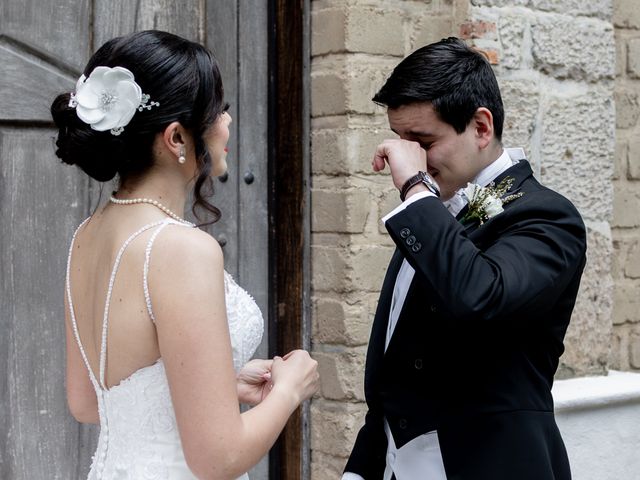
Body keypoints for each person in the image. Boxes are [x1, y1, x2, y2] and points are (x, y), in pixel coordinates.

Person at [51, 30, 319, 479]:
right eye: (217, 111)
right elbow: (218, 458)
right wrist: (289, 391)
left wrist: (217, 384)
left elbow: (88, 400)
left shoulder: (87, 235)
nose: (228, 122)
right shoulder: (181, 248)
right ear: (176, 138)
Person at [343, 37, 586, 480]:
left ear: (480, 127)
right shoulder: (434, 213)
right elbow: (396, 370)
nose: (407, 155)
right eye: (400, 140)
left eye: (422, 139)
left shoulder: (549, 216)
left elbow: (482, 295)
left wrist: (416, 191)